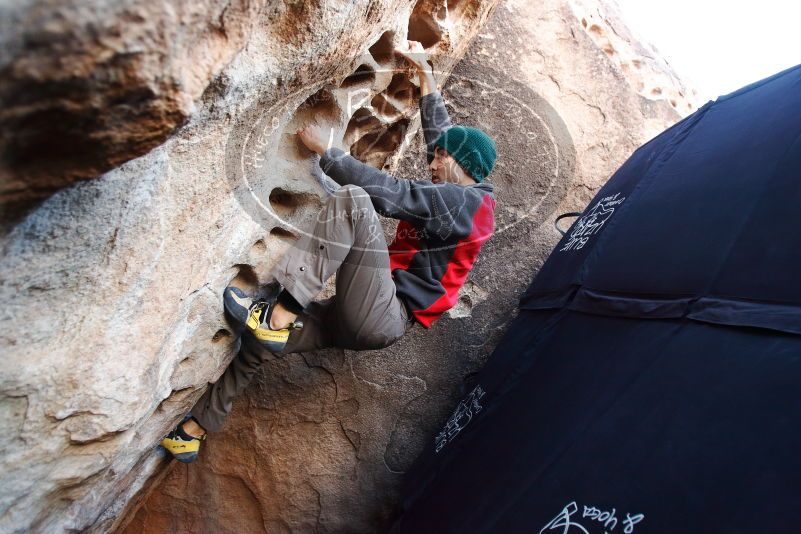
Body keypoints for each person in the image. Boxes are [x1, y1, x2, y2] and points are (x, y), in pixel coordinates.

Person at [161, 41, 498, 462]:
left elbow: (391, 195)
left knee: (355, 200)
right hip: (366, 316)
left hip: (384, 311)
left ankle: (277, 314)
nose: (431, 162)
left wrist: (328, 151)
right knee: (264, 344)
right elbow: (442, 136)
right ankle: (191, 433)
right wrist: (426, 74)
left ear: (460, 162)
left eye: (440, 158)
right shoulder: (465, 194)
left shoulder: (464, 204)